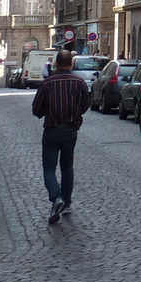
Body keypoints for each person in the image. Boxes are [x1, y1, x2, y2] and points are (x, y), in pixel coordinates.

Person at [32, 48, 90, 224]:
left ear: (56, 63)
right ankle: (67, 203)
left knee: (49, 168)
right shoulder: (80, 83)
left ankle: (56, 198)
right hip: (70, 130)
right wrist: (74, 114)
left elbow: (36, 109)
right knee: (67, 167)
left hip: (52, 129)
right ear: (71, 63)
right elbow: (85, 105)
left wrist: (46, 112)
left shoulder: (48, 83)